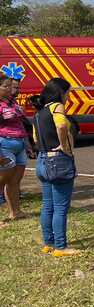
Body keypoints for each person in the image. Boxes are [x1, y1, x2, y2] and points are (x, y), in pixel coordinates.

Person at [31, 78, 79, 256]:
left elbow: (35, 138)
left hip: (42, 161)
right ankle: (61, 247)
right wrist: (64, 147)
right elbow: (60, 125)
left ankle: (48, 243)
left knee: (47, 205)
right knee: (60, 207)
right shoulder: (57, 107)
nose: (68, 96)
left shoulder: (39, 112)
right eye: (68, 93)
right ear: (61, 92)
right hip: (58, 161)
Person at [0, 75, 33, 222]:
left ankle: (15, 212)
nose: (9, 89)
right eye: (5, 86)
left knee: (15, 181)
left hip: (19, 144)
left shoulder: (12, 102)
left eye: (9, 86)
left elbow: (20, 123)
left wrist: (27, 144)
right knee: (2, 181)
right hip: (4, 144)